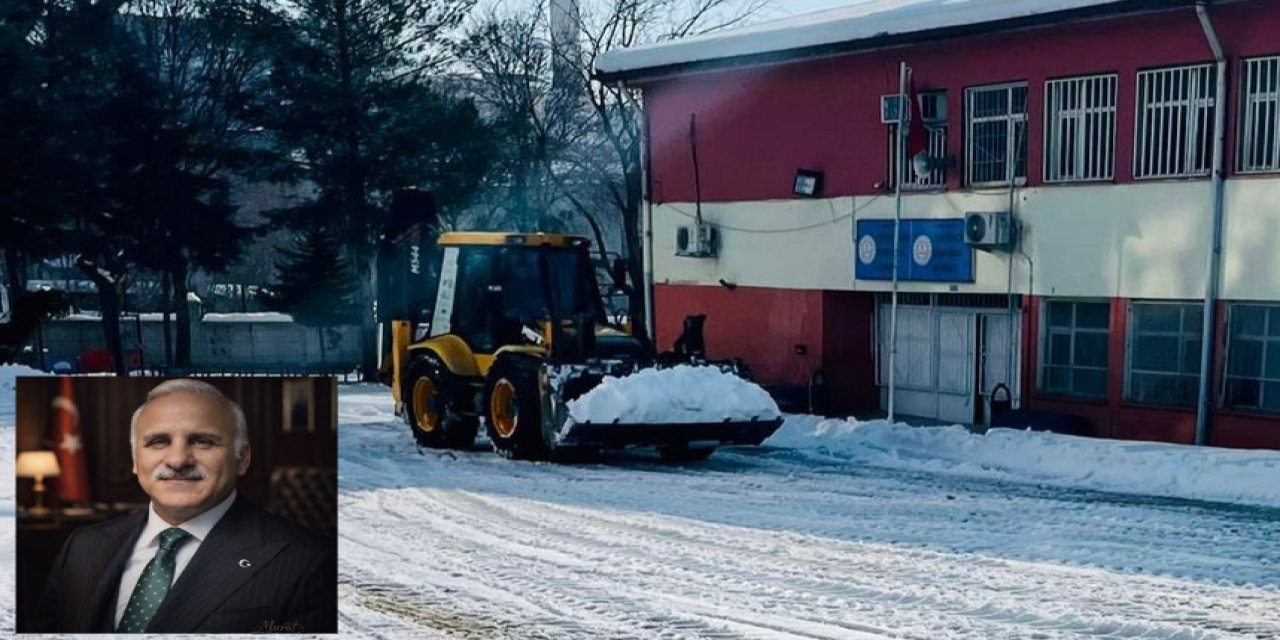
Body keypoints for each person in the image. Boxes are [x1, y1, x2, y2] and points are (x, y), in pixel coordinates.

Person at [29, 379, 337, 633]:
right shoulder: (82, 546)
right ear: (136, 461)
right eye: (158, 442)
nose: (178, 460)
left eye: (202, 441)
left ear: (242, 458)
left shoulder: (310, 561)